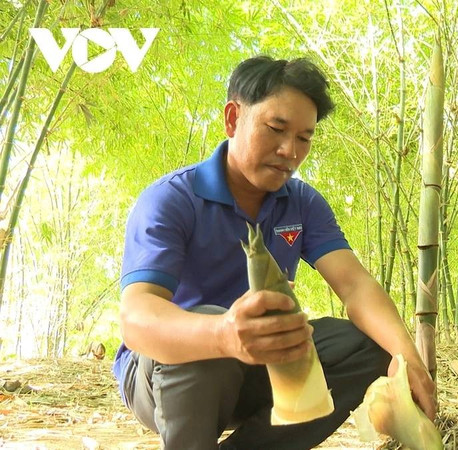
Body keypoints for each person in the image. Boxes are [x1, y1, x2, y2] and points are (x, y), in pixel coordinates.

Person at [112, 55, 436, 450]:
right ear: (233, 118)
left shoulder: (302, 203)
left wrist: (406, 356)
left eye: (304, 138)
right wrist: (223, 335)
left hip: (260, 368)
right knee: (208, 322)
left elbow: (355, 285)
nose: (289, 151)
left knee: (367, 346)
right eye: (276, 129)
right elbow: (136, 317)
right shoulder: (172, 199)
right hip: (167, 373)